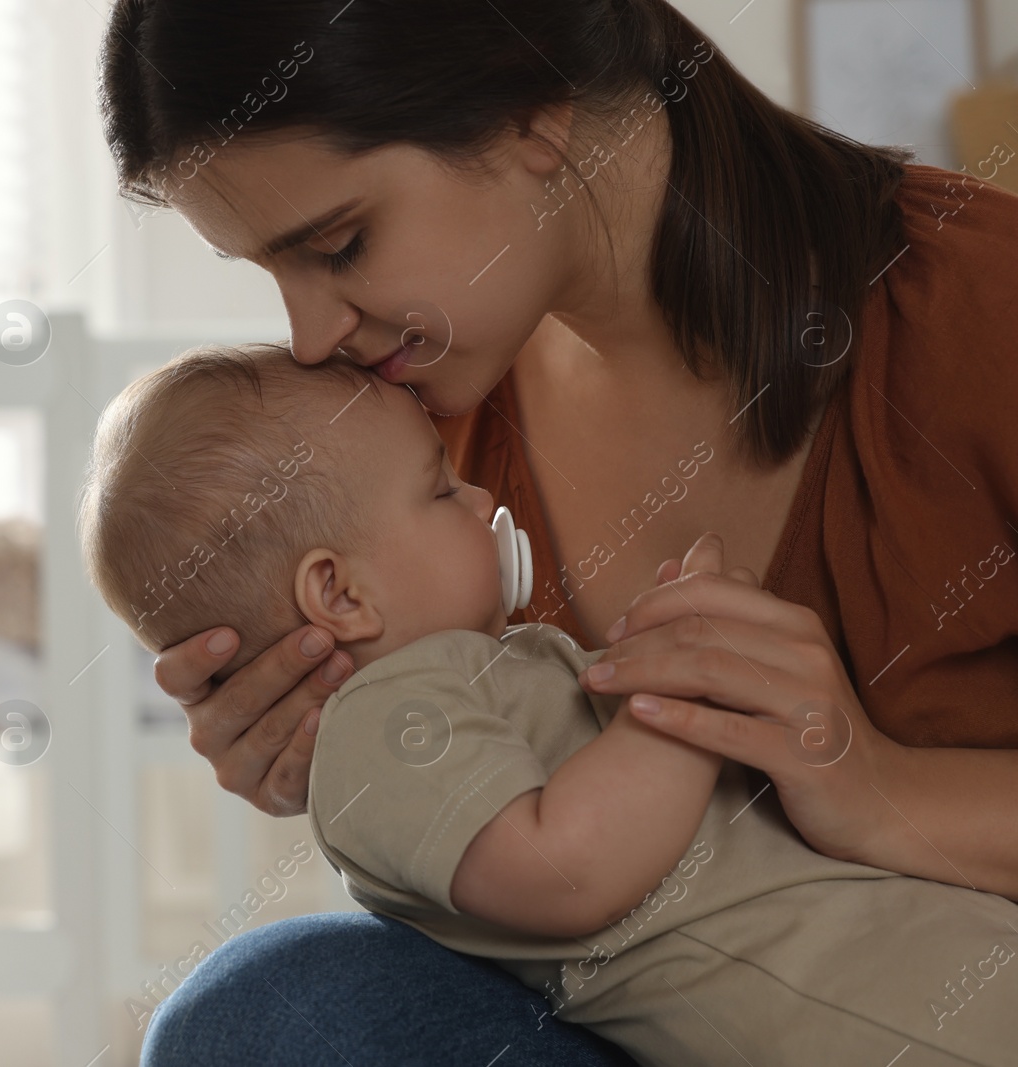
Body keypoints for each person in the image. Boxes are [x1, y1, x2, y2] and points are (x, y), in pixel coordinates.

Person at [96, 0, 1018, 1062]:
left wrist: (882, 792)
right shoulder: (415, 432)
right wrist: (349, 726)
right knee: (266, 1010)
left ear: (530, 109)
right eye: (269, 272)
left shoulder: (980, 316)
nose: (308, 336)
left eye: (340, 243)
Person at [79, 345, 1018, 1065]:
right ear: (340, 596)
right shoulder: (379, 723)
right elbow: (567, 873)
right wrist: (677, 690)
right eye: (440, 490)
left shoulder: (472, 672)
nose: (481, 492)